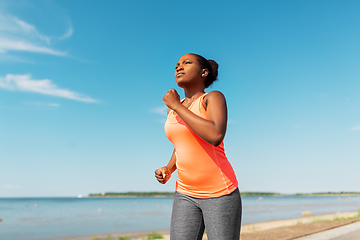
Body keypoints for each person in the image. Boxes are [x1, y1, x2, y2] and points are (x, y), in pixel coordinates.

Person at [155, 53, 242, 240]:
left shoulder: (212, 98)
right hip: (185, 193)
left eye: (186, 63)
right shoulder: (174, 108)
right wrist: (169, 168)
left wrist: (178, 107)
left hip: (220, 193)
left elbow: (215, 135)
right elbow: (182, 143)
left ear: (204, 72)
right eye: (177, 64)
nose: (179, 67)